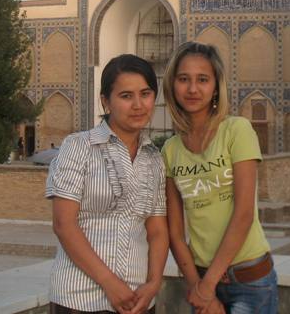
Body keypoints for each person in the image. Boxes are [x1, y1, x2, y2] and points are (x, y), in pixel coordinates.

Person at [46, 54, 168, 314]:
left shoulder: (154, 159)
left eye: (145, 94)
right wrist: (110, 284)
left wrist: (154, 282)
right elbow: (64, 224)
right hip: (79, 299)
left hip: (138, 300)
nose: (138, 105)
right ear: (106, 101)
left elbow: (157, 230)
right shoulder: (79, 146)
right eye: (126, 96)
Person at [161, 42, 277, 314]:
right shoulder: (170, 150)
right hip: (200, 282)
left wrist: (208, 284)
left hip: (250, 282)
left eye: (203, 79)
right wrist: (198, 288)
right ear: (172, 85)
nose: (192, 89)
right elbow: (175, 233)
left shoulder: (237, 131)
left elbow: (244, 214)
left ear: (216, 86)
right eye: (183, 79)